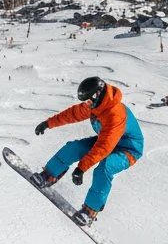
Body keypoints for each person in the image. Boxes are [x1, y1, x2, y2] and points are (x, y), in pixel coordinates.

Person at [33, 76, 144, 225]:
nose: (87, 104)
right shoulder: (96, 106)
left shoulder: (115, 114)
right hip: (108, 142)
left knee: (105, 167)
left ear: (97, 95)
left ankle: (90, 211)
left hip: (128, 149)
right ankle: (49, 175)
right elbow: (73, 114)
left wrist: (81, 168)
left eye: (89, 101)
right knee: (73, 148)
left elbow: (104, 147)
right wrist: (48, 123)